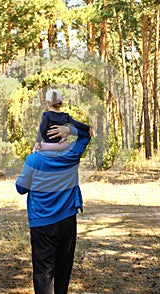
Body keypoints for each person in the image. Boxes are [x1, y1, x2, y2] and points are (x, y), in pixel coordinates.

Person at [16, 124, 92, 294]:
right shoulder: (71, 154)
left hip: (42, 223)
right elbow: (87, 134)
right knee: (63, 270)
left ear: (41, 138)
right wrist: (71, 130)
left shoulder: (34, 160)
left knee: (44, 273)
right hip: (67, 221)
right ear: (62, 137)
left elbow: (21, 188)